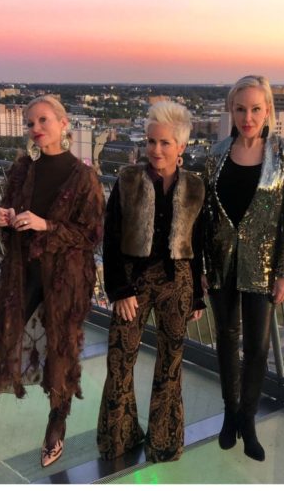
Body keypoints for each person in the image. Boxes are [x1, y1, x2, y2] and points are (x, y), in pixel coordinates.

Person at [0, 95, 105, 477]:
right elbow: (9, 217)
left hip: (64, 283)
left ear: (63, 123)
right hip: (21, 276)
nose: (35, 129)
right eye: (29, 123)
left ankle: (56, 426)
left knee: (61, 353)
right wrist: (4, 219)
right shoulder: (22, 169)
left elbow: (91, 236)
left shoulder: (84, 176)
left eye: (42, 121)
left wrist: (45, 225)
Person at [96, 101, 205, 463]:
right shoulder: (127, 180)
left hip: (178, 282)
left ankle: (164, 442)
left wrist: (199, 298)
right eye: (151, 141)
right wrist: (119, 290)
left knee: (171, 366)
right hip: (133, 283)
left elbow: (198, 243)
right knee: (120, 360)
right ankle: (120, 438)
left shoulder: (194, 186)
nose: (156, 150)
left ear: (181, 147)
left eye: (164, 143)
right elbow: (110, 239)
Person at [204, 75, 284, 462]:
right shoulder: (216, 153)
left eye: (256, 109)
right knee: (226, 339)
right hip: (221, 262)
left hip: (263, 266)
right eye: (240, 109)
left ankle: (249, 420)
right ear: (231, 111)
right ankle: (230, 414)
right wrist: (202, 266)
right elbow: (207, 214)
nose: (248, 117)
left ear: (268, 111)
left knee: (257, 348)